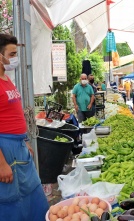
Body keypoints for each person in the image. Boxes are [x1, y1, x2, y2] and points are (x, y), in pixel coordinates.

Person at [0, 33, 49, 220]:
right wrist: (1, 163)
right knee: (11, 202)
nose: (15, 59)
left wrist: (25, 140)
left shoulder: (6, 78)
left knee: (33, 196)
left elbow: (13, 113)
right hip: (5, 150)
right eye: (11, 54)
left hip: (18, 147)